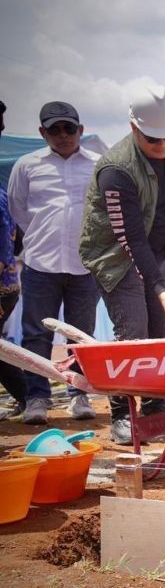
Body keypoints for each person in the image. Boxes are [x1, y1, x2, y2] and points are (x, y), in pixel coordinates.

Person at [78, 84, 165, 445]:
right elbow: (130, 240)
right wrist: (162, 289)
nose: (164, 148)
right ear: (134, 129)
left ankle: (154, 408)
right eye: (154, 141)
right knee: (133, 333)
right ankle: (121, 413)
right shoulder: (115, 170)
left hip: (157, 249)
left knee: (160, 332)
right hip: (116, 257)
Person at [8, 101, 101, 424]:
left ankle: (79, 394)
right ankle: (36, 398)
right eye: (55, 129)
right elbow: (18, 210)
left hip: (85, 264)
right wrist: (42, 235)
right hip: (40, 263)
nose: (63, 135)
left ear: (81, 130)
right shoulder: (27, 165)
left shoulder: (97, 164)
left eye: (69, 128)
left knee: (81, 335)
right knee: (35, 334)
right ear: (42, 132)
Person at [0, 99, 28, 421]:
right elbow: (18, 239)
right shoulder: (5, 190)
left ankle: (28, 394)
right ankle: (26, 394)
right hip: (8, 284)